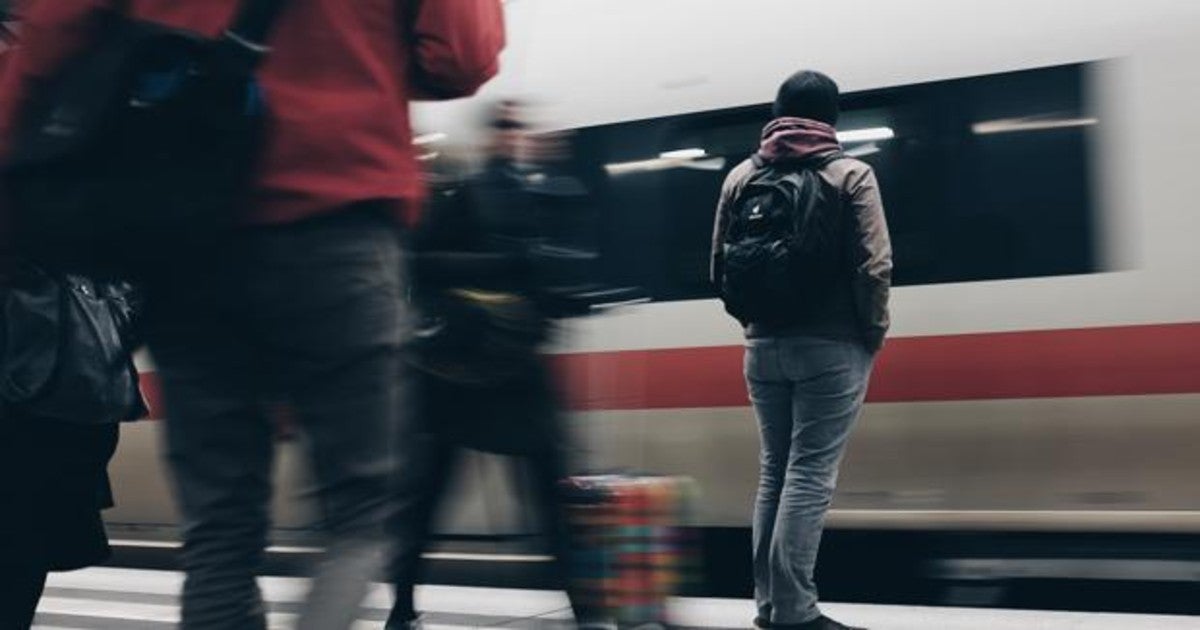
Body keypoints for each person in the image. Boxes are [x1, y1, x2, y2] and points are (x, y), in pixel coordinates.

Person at [0, 2, 504, 629]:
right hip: (335, 233)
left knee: (219, 527)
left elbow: (52, 38)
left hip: (185, 239)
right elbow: (458, 59)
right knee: (361, 512)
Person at [387, 105, 587, 629]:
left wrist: (556, 294)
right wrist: (506, 267)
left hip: (506, 372)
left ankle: (586, 609)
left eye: (516, 128)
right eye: (505, 127)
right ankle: (401, 608)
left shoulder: (531, 194)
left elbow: (535, 282)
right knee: (434, 499)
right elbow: (419, 265)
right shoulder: (462, 194)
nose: (513, 138)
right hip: (462, 374)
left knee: (543, 500)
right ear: (491, 136)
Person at [710, 70, 892, 630]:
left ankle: (769, 604)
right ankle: (794, 611)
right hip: (833, 345)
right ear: (832, 118)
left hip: (761, 344)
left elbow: (717, 266)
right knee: (810, 474)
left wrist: (754, 322)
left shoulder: (742, 175)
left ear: (777, 112)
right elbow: (874, 266)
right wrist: (872, 332)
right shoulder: (850, 174)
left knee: (775, 472)